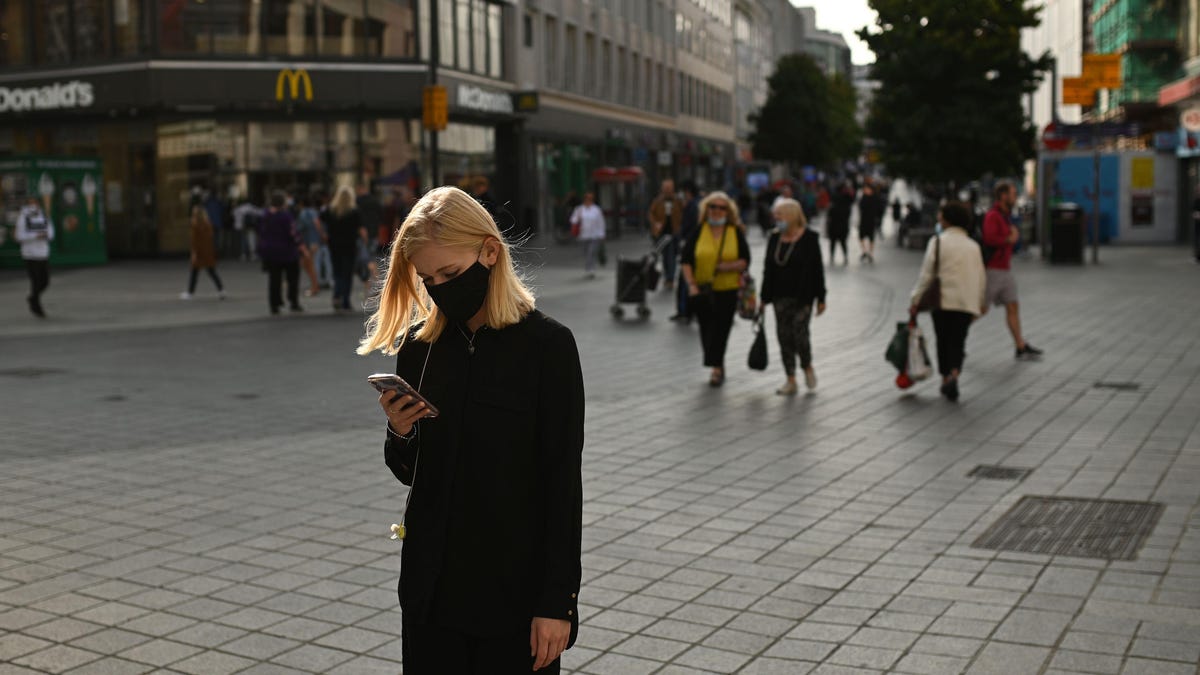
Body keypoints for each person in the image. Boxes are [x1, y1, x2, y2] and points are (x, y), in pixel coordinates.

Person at [357, 186, 583, 675]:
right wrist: (400, 431)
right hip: (432, 592)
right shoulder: (422, 347)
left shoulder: (548, 346)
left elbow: (562, 482)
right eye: (428, 278)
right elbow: (410, 472)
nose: (440, 287)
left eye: (451, 273)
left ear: (489, 251)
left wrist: (557, 604)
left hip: (514, 597)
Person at [909, 201, 988, 401]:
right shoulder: (973, 246)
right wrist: (980, 301)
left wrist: (915, 298)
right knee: (959, 340)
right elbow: (980, 276)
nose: (938, 218)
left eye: (941, 215)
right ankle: (955, 374)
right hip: (965, 301)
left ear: (947, 219)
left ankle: (946, 378)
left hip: (942, 300)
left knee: (943, 339)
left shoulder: (937, 242)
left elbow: (926, 275)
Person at [680, 191, 751, 387]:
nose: (717, 211)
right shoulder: (699, 231)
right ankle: (716, 361)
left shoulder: (734, 232)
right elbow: (686, 260)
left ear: (728, 211)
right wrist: (691, 284)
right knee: (706, 329)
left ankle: (716, 368)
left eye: (722, 208)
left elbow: (746, 261)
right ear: (706, 209)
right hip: (702, 289)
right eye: (713, 207)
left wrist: (726, 267)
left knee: (721, 328)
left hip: (727, 289)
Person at [760, 198, 826, 395]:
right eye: (775, 215)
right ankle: (790, 379)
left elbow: (817, 270)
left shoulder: (809, 239)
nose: (776, 219)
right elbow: (768, 269)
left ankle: (807, 365)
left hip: (803, 296)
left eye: (779, 215)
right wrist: (764, 298)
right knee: (784, 337)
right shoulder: (774, 238)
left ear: (791, 215)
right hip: (780, 296)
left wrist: (821, 298)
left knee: (800, 333)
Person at [981, 181, 1043, 359]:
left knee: (1013, 306)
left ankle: (1020, 346)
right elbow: (990, 238)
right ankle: (957, 337)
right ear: (1003, 196)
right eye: (1013, 194)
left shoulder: (1005, 215)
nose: (1015, 198)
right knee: (981, 309)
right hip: (993, 270)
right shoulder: (993, 215)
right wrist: (1009, 238)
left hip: (1004, 270)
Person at [257, 191, 304, 314]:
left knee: (274, 279)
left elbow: (261, 232)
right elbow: (293, 233)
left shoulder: (265, 215)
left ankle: (274, 304)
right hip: (288, 252)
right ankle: (293, 301)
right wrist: (301, 246)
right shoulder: (286, 216)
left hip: (271, 252)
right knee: (293, 277)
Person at [324, 185, 368, 313]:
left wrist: (324, 236)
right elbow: (362, 230)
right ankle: (345, 301)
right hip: (350, 245)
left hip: (334, 245)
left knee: (337, 271)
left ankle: (336, 296)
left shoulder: (330, 210)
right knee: (347, 273)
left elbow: (320, 222)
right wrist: (364, 242)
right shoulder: (354, 211)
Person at [15, 197, 54, 317]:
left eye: (35, 203)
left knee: (45, 281)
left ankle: (32, 298)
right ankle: (37, 307)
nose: (33, 205)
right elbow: (19, 236)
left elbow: (51, 233)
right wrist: (36, 236)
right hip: (30, 254)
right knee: (35, 282)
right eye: (31, 203)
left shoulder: (44, 215)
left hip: (43, 253)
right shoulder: (23, 217)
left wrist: (46, 235)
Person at [181, 205, 225, 300]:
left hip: (199, 253)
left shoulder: (195, 225)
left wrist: (194, 253)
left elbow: (194, 241)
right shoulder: (208, 224)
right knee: (211, 272)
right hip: (208, 252)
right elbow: (210, 240)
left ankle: (190, 293)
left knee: (194, 273)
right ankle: (221, 290)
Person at [671, 181, 701, 323]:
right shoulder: (692, 205)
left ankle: (685, 311)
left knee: (685, 281)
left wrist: (683, 240)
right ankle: (687, 311)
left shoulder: (692, 206)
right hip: (689, 246)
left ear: (688, 191)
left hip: (689, 248)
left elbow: (690, 227)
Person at [647, 179, 683, 291]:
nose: (667, 190)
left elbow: (683, 213)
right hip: (661, 233)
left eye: (669, 187)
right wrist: (655, 224)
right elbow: (651, 214)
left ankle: (670, 278)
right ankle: (668, 277)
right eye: (665, 187)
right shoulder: (657, 201)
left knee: (671, 256)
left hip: (673, 232)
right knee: (665, 256)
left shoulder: (678, 200)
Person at [569, 192, 606, 278]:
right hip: (583, 235)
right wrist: (577, 219)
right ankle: (589, 266)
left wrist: (602, 233)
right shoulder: (579, 209)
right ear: (584, 199)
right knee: (586, 252)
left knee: (591, 252)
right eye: (587, 199)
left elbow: (601, 222)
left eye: (590, 199)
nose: (588, 201)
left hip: (594, 235)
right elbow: (573, 220)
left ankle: (591, 269)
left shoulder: (596, 209)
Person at [295, 197, 325, 297]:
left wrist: (321, 234)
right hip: (313, 240)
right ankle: (314, 286)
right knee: (308, 264)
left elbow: (314, 224)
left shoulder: (304, 213)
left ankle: (314, 287)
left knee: (308, 264)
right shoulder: (313, 211)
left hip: (309, 241)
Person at [857, 179, 884, 263]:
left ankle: (870, 253)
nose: (865, 190)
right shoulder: (864, 197)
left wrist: (878, 219)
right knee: (861, 236)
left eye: (866, 189)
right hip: (864, 220)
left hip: (871, 220)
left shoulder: (875, 198)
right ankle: (865, 251)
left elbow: (880, 209)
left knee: (871, 237)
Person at [827, 181, 854, 265]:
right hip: (843, 225)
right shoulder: (847, 201)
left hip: (833, 225)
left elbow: (829, 215)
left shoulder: (833, 202)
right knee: (843, 242)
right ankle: (845, 257)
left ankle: (832, 257)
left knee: (833, 242)